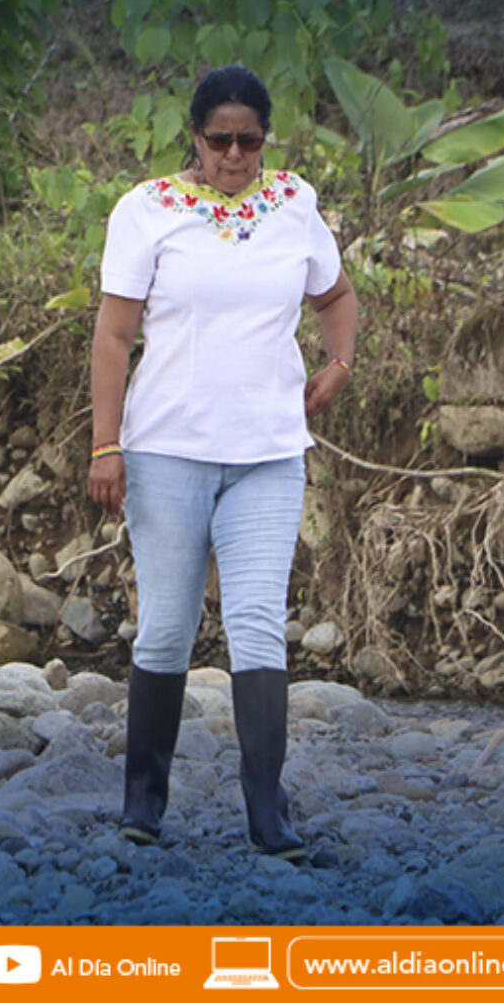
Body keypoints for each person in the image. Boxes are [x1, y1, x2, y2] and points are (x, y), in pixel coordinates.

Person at [87, 64, 359, 860]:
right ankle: (143, 804)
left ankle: (268, 817)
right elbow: (112, 336)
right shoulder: (147, 211)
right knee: (168, 625)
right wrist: (107, 445)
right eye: (220, 140)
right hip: (168, 447)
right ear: (195, 139)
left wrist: (339, 364)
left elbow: (335, 295)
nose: (235, 155)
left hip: (270, 450)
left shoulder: (295, 204)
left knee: (256, 627)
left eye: (249, 140)